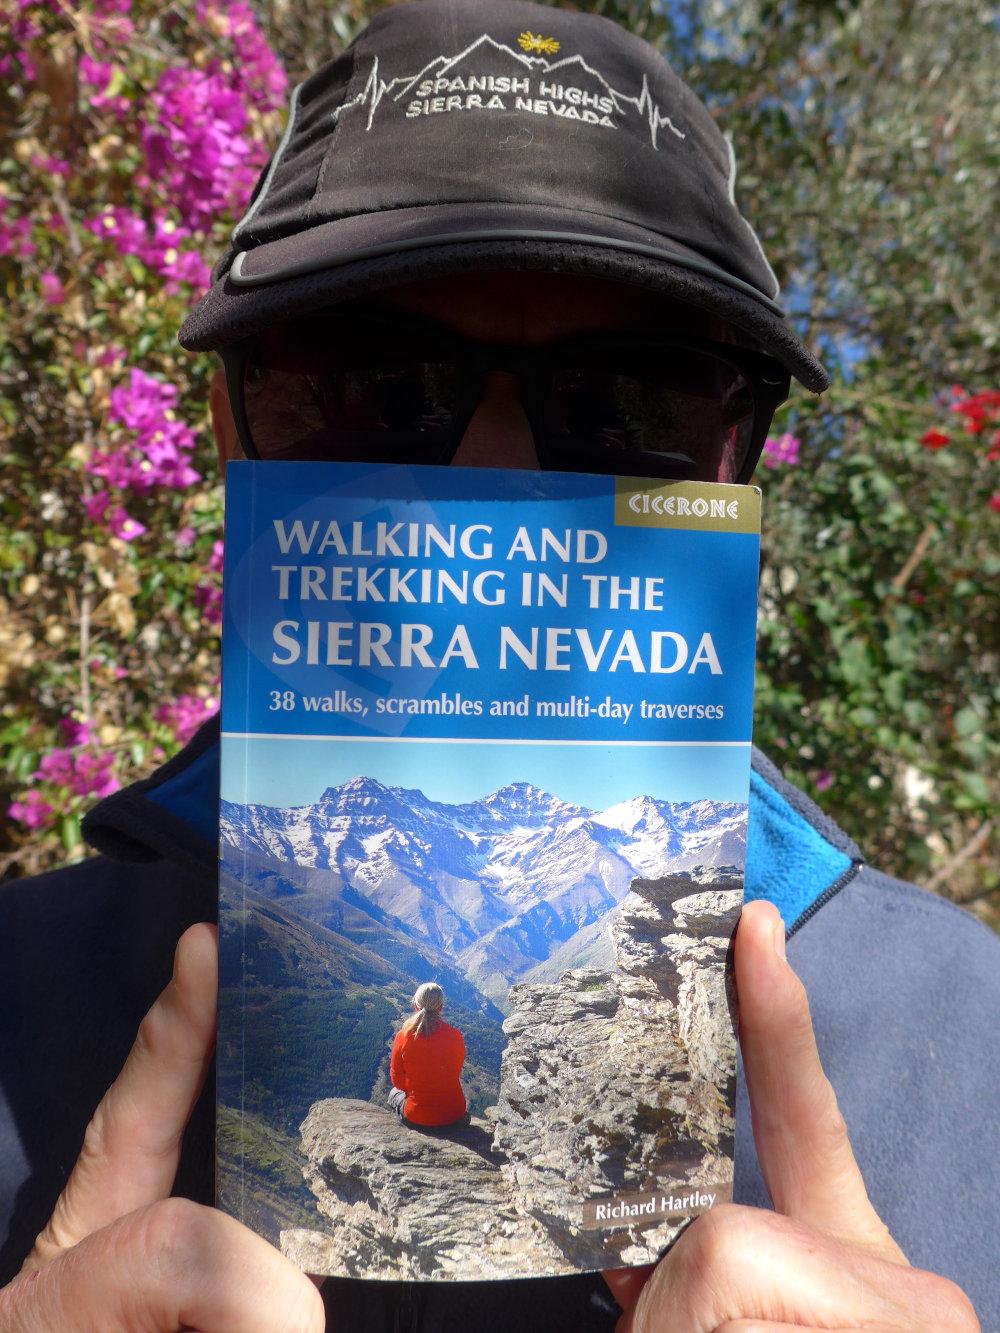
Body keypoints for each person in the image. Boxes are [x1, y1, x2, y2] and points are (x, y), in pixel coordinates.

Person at [1, 0, 997, 1329]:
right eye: (365, 380)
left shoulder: (968, 1042)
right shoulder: (16, 991)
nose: (496, 479)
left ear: (734, 460)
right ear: (229, 425)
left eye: (633, 397)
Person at [388, 983, 469, 1129]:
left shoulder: (403, 1036)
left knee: (394, 1093)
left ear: (415, 1005)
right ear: (441, 1007)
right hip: (454, 1115)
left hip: (416, 1116)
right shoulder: (455, 1036)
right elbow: (454, 1071)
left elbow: (397, 1081)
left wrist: (417, 1088)